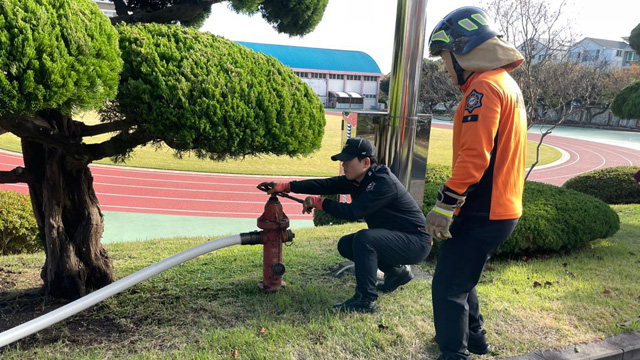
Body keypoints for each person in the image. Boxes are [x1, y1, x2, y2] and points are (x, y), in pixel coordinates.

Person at [426, 6, 527, 360]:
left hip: (484, 208)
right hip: (501, 208)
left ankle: (455, 353)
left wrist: (443, 206)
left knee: (448, 286)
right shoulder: (505, 83)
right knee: (461, 277)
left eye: (445, 57)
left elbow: (473, 158)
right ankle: (477, 341)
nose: (444, 66)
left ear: (462, 50)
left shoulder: (481, 90)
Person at [259, 137, 432, 313]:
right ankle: (396, 273)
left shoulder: (382, 182)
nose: (343, 165)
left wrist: (318, 202)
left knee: (365, 239)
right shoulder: (359, 179)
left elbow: (353, 212)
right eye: (342, 160)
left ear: (365, 162)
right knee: (347, 245)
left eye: (347, 160)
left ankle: (366, 300)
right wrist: (285, 186)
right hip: (400, 237)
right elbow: (327, 184)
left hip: (416, 242)